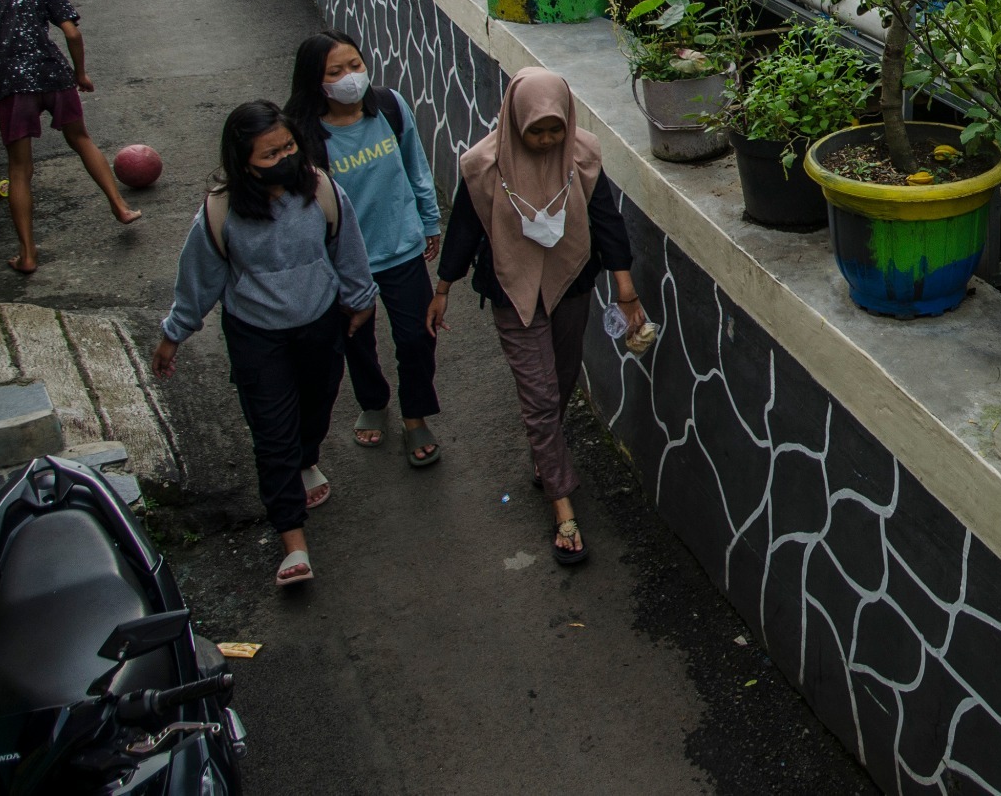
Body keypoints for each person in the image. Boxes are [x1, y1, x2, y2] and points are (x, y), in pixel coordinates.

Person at [152, 101, 377, 589]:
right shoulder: (220, 210)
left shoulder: (320, 190)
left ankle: (306, 459)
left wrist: (361, 300)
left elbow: (347, 246)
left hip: (320, 324)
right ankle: (293, 543)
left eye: (289, 147)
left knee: (317, 405)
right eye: (269, 154)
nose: (284, 159)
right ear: (243, 161)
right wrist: (174, 334)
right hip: (256, 335)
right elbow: (198, 280)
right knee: (272, 435)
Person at [428, 68, 644, 567]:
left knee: (563, 378)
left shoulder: (583, 155)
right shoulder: (483, 165)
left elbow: (606, 220)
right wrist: (442, 289)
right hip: (511, 289)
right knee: (540, 394)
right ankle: (562, 504)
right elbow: (462, 229)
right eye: (537, 131)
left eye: (555, 129)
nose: (548, 140)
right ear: (515, 120)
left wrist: (625, 290)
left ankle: (544, 456)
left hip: (570, 285)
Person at [285, 31, 444, 465]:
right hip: (343, 262)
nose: (350, 78)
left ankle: (416, 416)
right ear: (314, 81)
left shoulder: (388, 107)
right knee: (356, 339)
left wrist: (429, 221)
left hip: (401, 248)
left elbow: (416, 163)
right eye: (335, 72)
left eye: (354, 65)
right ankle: (373, 401)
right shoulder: (301, 135)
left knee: (416, 337)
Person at [0, 0, 142, 275]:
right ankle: (119, 206)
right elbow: (71, 32)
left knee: (20, 170)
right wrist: (80, 73)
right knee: (82, 140)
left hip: (12, 88)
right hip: (53, 76)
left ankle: (27, 255)